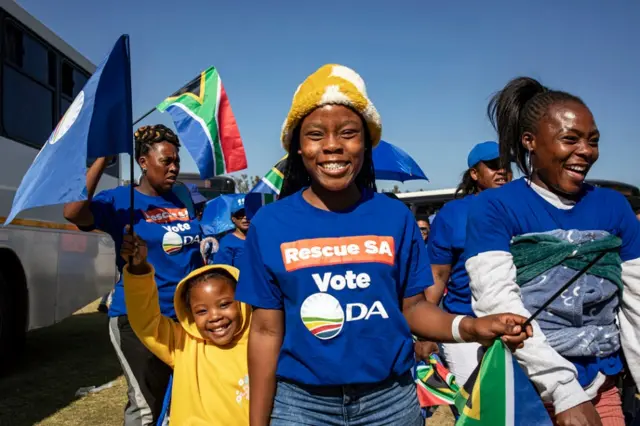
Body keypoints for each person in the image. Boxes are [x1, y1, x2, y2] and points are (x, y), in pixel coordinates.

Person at [234, 64, 532, 426]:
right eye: (315, 135)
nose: (332, 146)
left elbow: (413, 309)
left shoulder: (395, 217)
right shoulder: (269, 224)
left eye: (348, 133)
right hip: (301, 407)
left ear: (366, 143)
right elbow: (265, 331)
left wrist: (471, 327)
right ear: (298, 147)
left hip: (390, 404)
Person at [465, 76, 640, 426]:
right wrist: (564, 391)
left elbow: (637, 302)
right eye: (570, 139)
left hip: (602, 383)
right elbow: (498, 304)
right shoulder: (495, 207)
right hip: (522, 387)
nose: (586, 151)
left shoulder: (613, 207)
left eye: (593, 141)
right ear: (530, 142)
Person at [63, 125, 204, 425]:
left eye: (176, 160)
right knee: (146, 407)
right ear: (143, 162)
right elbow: (73, 212)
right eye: (166, 161)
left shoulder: (182, 197)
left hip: (185, 319)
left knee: (183, 397)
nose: (174, 167)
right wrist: (103, 159)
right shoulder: (120, 201)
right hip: (137, 320)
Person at [120, 231, 250, 425]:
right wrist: (138, 270)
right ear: (190, 314)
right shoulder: (183, 345)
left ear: (241, 301)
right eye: (201, 311)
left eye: (224, 304)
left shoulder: (261, 342)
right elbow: (146, 321)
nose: (215, 316)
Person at [425, 141, 510, 385]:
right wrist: (426, 331)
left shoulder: (522, 207)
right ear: (474, 173)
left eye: (506, 165)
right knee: (475, 411)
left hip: (518, 325)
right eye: (493, 166)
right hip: (465, 326)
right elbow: (438, 275)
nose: (502, 171)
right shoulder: (452, 214)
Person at [214, 202, 249, 267]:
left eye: (248, 213)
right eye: (240, 214)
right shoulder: (227, 242)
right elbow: (222, 271)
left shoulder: (258, 238)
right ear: (233, 218)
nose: (245, 217)